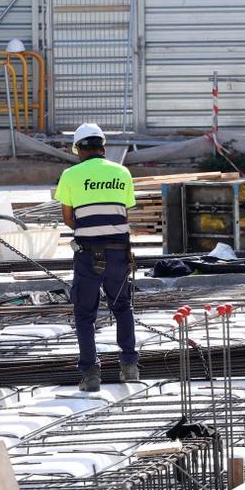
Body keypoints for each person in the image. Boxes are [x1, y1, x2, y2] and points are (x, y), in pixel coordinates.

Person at [54, 123, 140, 392]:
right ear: (102, 147)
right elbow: (124, 214)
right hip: (118, 253)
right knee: (123, 307)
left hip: (88, 255)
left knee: (84, 314)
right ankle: (130, 367)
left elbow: (69, 218)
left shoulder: (70, 174)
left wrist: (89, 232)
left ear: (79, 149)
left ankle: (91, 374)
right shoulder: (122, 172)